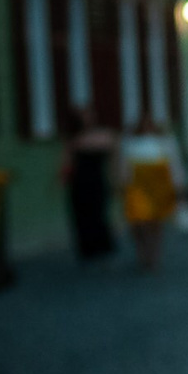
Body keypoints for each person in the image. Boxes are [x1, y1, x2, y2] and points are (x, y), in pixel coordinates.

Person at [119, 116, 187, 271]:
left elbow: (173, 166)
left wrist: (179, 187)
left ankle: (153, 255)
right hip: (138, 189)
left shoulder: (163, 143)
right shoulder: (131, 143)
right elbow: (125, 167)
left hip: (158, 190)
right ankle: (144, 252)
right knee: (139, 223)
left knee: (155, 224)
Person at [59, 104, 120, 262]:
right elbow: (68, 161)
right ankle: (87, 250)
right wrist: (63, 178)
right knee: (82, 215)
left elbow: (114, 159)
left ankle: (102, 247)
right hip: (80, 182)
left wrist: (115, 179)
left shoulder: (105, 135)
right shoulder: (74, 137)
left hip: (97, 180)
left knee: (98, 213)